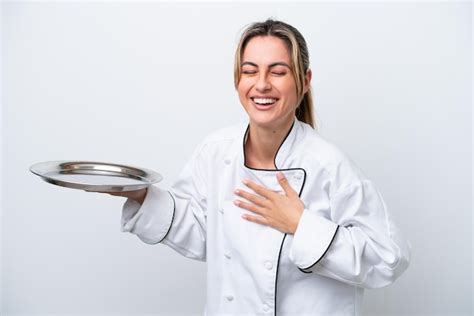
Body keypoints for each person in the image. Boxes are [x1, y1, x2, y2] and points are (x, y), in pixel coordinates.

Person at [105, 19, 411, 315]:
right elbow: (203, 233)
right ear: (238, 80)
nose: (261, 84)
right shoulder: (216, 151)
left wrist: (301, 225)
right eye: (250, 71)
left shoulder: (327, 165)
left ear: (304, 81)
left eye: (278, 72)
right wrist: (141, 196)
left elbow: (388, 259)